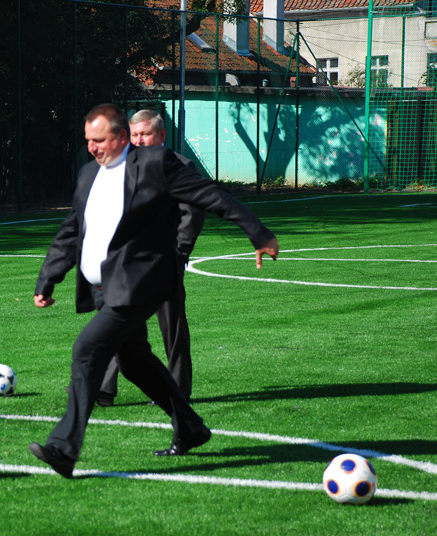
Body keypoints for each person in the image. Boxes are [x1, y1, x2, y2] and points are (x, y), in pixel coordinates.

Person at [29, 103, 279, 478]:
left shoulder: (154, 164)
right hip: (103, 288)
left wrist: (258, 234)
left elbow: (210, 196)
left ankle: (64, 448)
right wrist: (48, 278)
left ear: (120, 137)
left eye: (99, 140)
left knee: (87, 349)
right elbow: (72, 230)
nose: (92, 148)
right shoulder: (87, 174)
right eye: (88, 141)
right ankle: (190, 427)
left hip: (139, 282)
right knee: (134, 362)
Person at [97, 109, 205, 406]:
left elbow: (193, 213)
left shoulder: (179, 167)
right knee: (116, 321)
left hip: (163, 262)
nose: (139, 140)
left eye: (145, 134)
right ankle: (102, 387)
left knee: (172, 328)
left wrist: (178, 252)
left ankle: (177, 390)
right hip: (127, 263)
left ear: (161, 135)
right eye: (134, 135)